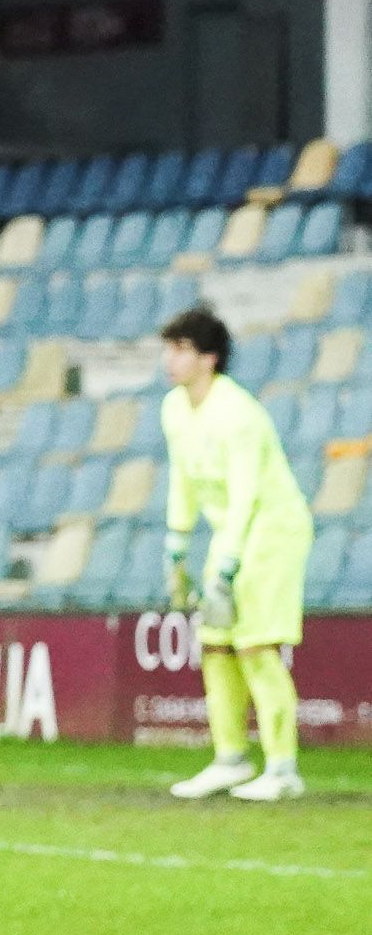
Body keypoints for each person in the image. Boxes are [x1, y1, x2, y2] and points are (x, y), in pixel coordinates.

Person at [157, 308, 315, 802]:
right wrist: (177, 540)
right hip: (232, 532)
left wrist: (226, 564)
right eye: (170, 348)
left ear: (209, 358)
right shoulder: (174, 408)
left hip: (273, 530)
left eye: (182, 349)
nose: (171, 359)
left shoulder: (239, 414)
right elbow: (182, 477)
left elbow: (247, 494)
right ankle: (230, 759)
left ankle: (283, 768)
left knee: (255, 645)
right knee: (215, 642)